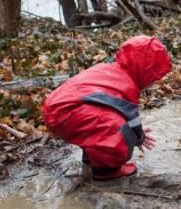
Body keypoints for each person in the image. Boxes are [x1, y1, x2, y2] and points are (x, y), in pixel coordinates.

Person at [42, 36, 172, 180]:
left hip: (55, 110)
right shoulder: (127, 84)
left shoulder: (107, 69)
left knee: (101, 118)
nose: (153, 83)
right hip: (66, 114)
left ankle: (92, 158)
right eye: (153, 78)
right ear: (144, 71)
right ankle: (106, 171)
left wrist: (137, 133)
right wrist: (138, 137)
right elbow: (132, 118)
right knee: (120, 130)